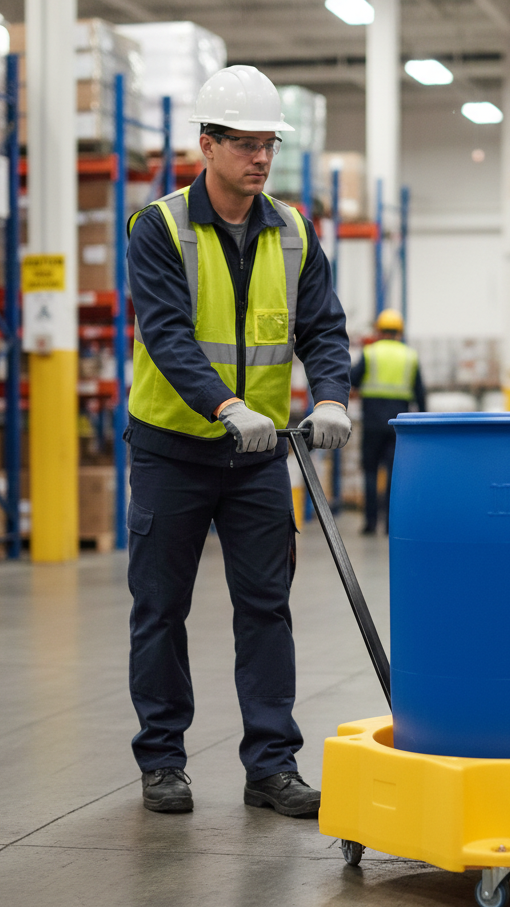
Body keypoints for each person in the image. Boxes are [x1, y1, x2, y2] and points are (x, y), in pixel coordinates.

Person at [124, 65, 352, 817]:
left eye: (268, 145)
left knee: (266, 608)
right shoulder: (159, 228)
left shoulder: (293, 232)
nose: (260, 158)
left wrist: (331, 395)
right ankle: (163, 760)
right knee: (161, 610)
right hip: (172, 450)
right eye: (246, 144)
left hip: (259, 458)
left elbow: (323, 327)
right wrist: (224, 404)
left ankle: (271, 767)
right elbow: (166, 334)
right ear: (207, 145)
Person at [349, 309, 427, 535]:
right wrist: (423, 420)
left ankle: (370, 523)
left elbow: (352, 379)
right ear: (399, 332)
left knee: (370, 471)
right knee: (395, 474)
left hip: (372, 422)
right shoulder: (410, 356)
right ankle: (390, 524)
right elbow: (420, 393)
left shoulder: (370, 352)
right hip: (398, 426)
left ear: (379, 331)